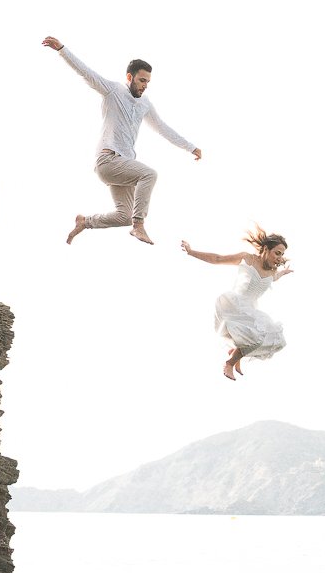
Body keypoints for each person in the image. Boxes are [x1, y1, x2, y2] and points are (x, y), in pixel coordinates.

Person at [42, 35, 202, 245]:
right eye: (142, 80)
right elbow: (86, 72)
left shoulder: (145, 104)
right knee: (149, 174)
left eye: (148, 82)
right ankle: (139, 226)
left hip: (123, 165)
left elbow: (163, 128)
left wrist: (190, 147)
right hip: (108, 160)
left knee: (125, 215)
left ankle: (85, 222)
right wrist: (62, 49)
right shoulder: (113, 91)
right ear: (130, 77)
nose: (145, 85)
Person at [181, 227, 292, 380]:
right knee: (257, 337)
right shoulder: (247, 259)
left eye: (282, 255)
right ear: (266, 249)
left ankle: (236, 354)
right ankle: (230, 363)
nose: (280, 258)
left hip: (251, 310)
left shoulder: (272, 272)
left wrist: (283, 272)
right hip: (234, 305)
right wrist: (191, 251)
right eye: (277, 253)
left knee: (278, 340)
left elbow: (275, 277)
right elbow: (217, 259)